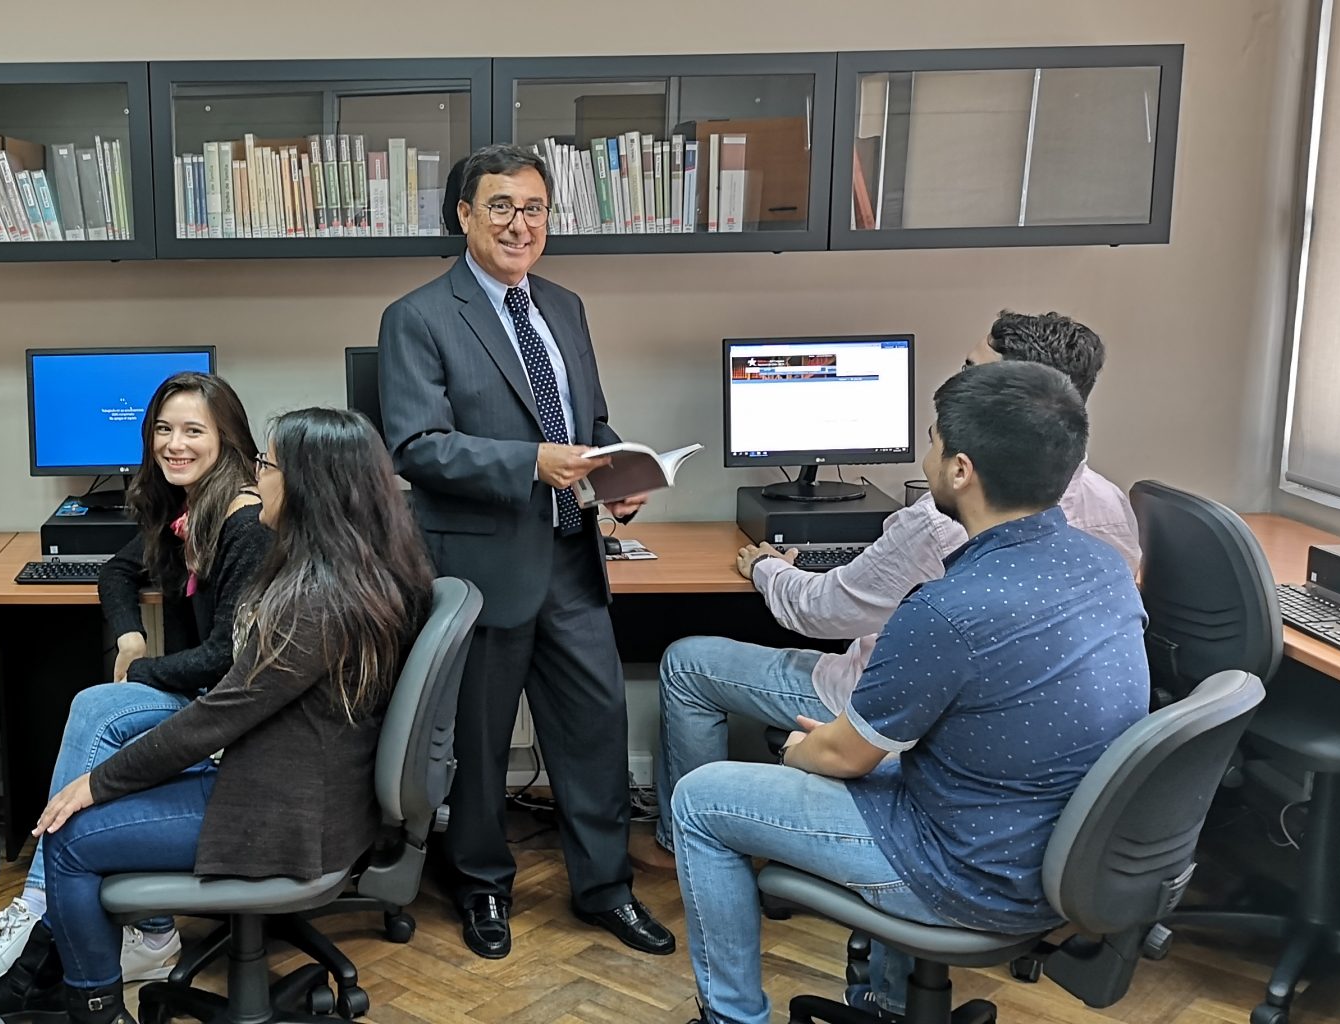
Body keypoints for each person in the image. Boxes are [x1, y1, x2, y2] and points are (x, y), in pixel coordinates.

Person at [671, 360, 1150, 1024]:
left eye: (933, 442)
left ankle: (730, 1018)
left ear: (960, 470)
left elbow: (842, 756)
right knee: (897, 761)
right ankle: (888, 1003)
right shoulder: (1104, 567)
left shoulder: (945, 611)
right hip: (1068, 856)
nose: (926, 457)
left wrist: (800, 752)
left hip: (971, 873)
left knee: (700, 799)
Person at [0, 407, 433, 1024]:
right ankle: (79, 972)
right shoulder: (361, 572)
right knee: (107, 785)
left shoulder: (315, 602)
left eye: (267, 465)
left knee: (66, 836)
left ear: (308, 486)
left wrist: (98, 783)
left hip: (285, 813)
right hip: (307, 786)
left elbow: (220, 716)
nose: (256, 478)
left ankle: (93, 1006)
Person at [654, 310, 1143, 857]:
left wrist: (767, 568)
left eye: (971, 371)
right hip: (1029, 776)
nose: (954, 382)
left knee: (686, 663)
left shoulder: (942, 553)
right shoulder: (1109, 513)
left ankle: (684, 845)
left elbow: (821, 613)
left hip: (933, 765)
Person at [378, 142, 673, 960]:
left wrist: (618, 468)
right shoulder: (418, 316)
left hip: (573, 557)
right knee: (479, 744)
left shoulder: (565, 306)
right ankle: (481, 886)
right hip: (481, 569)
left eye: (534, 208)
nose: (520, 224)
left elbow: (588, 420)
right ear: (464, 215)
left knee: (596, 732)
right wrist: (530, 464)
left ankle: (606, 889)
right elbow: (416, 446)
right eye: (501, 207)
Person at [0, 371, 271, 1010]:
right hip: (201, 690)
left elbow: (227, 656)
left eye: (193, 431)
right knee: (97, 710)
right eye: (163, 429)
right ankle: (142, 929)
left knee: (98, 710)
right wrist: (130, 636)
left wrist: (143, 673)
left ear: (228, 439)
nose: (174, 444)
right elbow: (120, 571)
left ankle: (41, 901)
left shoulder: (244, 522)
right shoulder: (190, 507)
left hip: (228, 710)